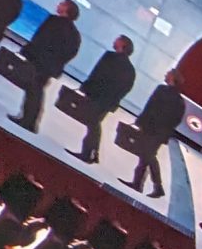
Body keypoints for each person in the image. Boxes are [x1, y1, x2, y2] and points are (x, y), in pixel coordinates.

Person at [14, 0, 81, 133]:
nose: (58, 5)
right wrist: (57, 62)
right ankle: (29, 120)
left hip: (39, 61)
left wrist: (28, 52)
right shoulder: (74, 34)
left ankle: (28, 120)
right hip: (50, 67)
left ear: (66, 9)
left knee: (33, 90)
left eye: (61, 4)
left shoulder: (53, 21)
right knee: (36, 90)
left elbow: (39, 39)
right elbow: (71, 52)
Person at [72, 37, 136, 164]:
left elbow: (97, 73)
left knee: (93, 123)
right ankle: (92, 152)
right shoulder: (130, 70)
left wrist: (86, 87)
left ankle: (89, 153)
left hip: (97, 96)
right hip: (107, 101)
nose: (114, 41)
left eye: (117, 40)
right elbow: (126, 88)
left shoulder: (109, 57)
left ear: (122, 45)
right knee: (94, 123)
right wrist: (114, 99)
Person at [125, 68, 186, 197]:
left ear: (173, 77)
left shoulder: (163, 91)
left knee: (148, 156)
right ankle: (140, 184)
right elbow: (175, 120)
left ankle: (155, 186)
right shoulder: (179, 101)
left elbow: (150, 107)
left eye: (168, 74)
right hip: (158, 132)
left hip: (153, 130)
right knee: (146, 156)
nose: (165, 74)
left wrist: (140, 122)